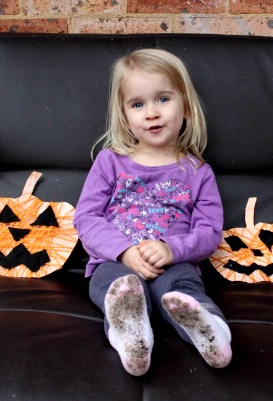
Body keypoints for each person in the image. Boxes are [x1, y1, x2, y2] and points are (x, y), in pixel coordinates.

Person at [73, 48, 232, 376]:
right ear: (124, 115)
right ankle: (129, 335)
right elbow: (86, 219)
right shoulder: (110, 161)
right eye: (138, 104)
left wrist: (173, 250)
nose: (151, 113)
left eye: (163, 99)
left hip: (175, 264)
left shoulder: (197, 171)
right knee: (119, 290)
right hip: (114, 263)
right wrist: (124, 251)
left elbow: (209, 232)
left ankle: (211, 332)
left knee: (182, 294)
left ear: (185, 105)